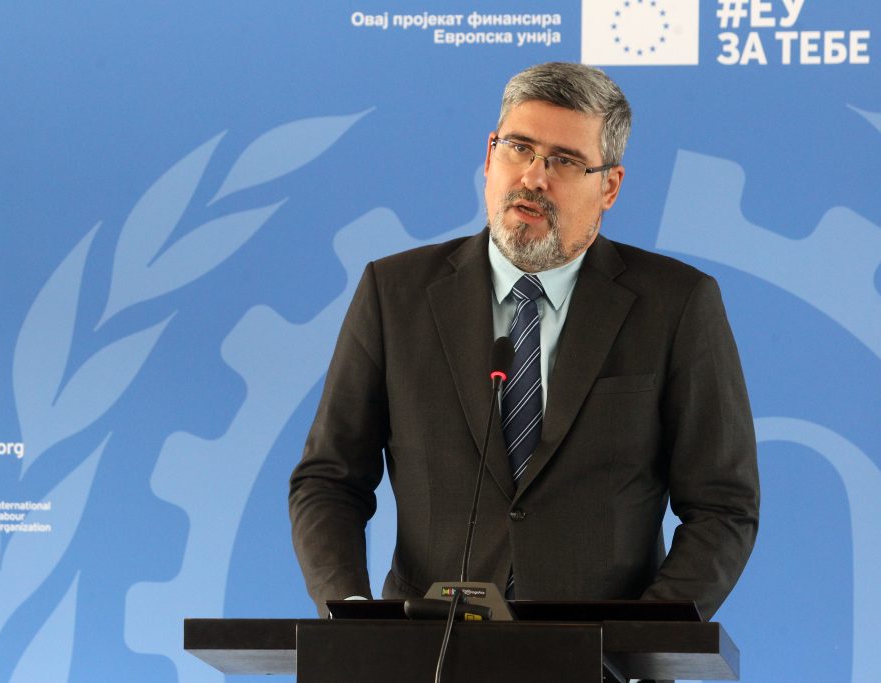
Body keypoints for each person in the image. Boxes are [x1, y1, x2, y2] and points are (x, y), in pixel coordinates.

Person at [288, 62, 759, 623]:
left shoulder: (676, 304)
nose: (534, 177)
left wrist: (639, 637)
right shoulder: (394, 294)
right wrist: (351, 618)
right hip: (427, 647)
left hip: (601, 654)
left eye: (564, 160)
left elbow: (723, 506)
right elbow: (329, 479)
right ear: (490, 156)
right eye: (519, 148)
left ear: (609, 186)